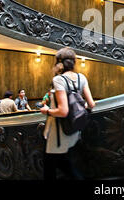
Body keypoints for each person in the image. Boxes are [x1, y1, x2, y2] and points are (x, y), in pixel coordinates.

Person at [40, 47, 96, 180]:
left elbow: (63, 111)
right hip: (73, 131)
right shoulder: (81, 77)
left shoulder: (59, 80)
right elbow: (91, 104)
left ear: (59, 63)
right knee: (64, 164)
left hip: (58, 134)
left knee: (50, 169)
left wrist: (46, 110)